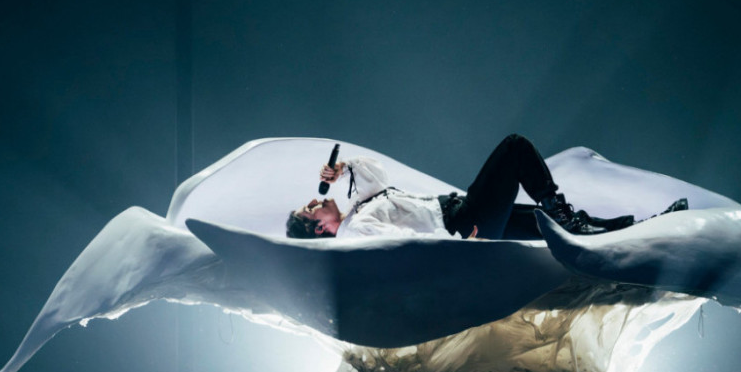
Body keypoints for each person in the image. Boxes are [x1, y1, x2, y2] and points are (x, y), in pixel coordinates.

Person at [286, 134, 683, 240]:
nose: (314, 201)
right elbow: (406, 247)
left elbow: (378, 176)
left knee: (552, 226)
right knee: (514, 148)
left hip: (465, 218)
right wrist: (459, 248)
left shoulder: (359, 209)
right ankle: (569, 219)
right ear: (319, 228)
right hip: (464, 226)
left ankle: (641, 229)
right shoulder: (357, 230)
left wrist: (344, 169)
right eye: (310, 209)